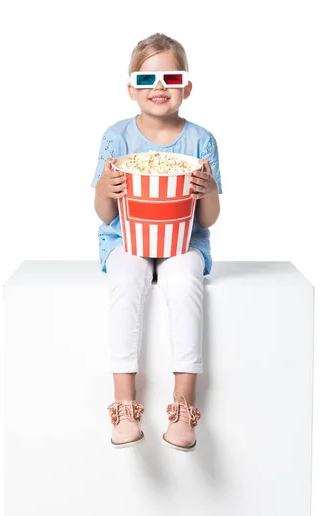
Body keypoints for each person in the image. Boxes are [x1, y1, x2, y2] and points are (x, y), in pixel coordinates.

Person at [91, 33, 222, 451]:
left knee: (184, 282)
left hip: (183, 241)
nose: (159, 87)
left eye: (170, 77)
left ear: (187, 86)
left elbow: (209, 219)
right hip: (125, 239)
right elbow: (105, 213)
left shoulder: (201, 141)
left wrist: (208, 189)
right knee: (127, 281)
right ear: (131, 88)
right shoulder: (117, 137)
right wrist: (108, 188)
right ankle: (124, 405)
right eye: (147, 79)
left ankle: (184, 407)